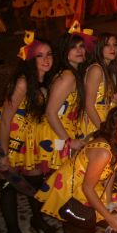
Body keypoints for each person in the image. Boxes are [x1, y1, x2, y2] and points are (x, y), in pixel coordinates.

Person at [0, 32, 55, 233]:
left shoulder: (45, 79)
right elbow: (5, 120)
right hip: (14, 139)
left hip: (32, 140)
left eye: (49, 54)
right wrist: (3, 154)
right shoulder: (22, 82)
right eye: (40, 56)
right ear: (30, 59)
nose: (46, 59)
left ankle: (37, 219)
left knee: (35, 181)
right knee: (8, 186)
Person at [36, 105, 117, 233]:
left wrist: (109, 204)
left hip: (92, 184)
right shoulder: (104, 153)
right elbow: (87, 188)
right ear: (113, 128)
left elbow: (111, 174)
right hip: (74, 190)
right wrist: (109, 217)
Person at [36, 30, 89, 173]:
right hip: (56, 133)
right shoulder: (68, 76)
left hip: (63, 130)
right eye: (73, 47)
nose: (79, 50)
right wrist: (69, 141)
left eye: (81, 46)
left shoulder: (74, 73)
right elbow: (50, 112)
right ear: (65, 51)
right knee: (59, 180)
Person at [84, 32, 117, 133]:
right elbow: (89, 105)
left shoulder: (111, 70)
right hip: (94, 122)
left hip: (105, 121)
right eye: (107, 45)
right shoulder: (96, 69)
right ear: (99, 48)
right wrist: (102, 131)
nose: (112, 49)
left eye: (115, 45)